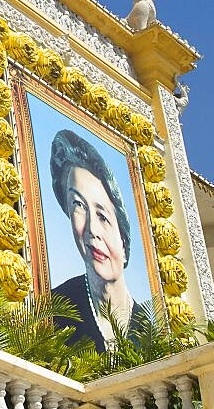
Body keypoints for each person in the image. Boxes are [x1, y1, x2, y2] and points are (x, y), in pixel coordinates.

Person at [49, 129, 146, 351]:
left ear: (124, 238)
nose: (92, 229)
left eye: (102, 216)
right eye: (78, 205)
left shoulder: (148, 332)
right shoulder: (56, 307)